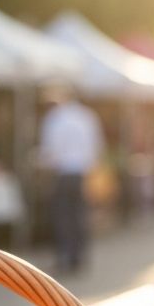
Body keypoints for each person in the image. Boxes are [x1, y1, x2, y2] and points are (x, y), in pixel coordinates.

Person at [38, 85, 104, 273]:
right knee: (79, 215)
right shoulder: (87, 116)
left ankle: (65, 257)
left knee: (63, 217)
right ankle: (79, 257)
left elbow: (50, 150)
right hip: (82, 172)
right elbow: (96, 146)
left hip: (64, 172)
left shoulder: (55, 119)